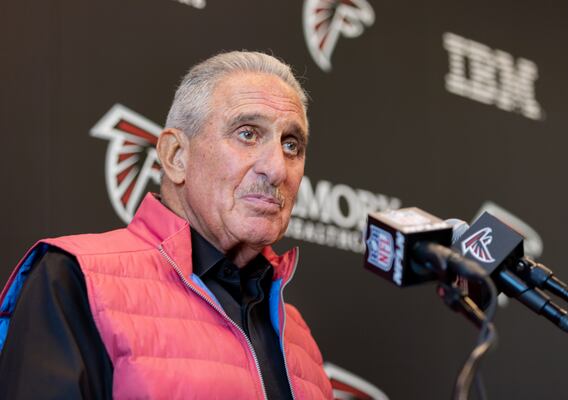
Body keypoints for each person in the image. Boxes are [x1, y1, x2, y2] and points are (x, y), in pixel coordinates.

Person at [0, 51, 334, 399]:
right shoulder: (76, 277)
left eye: (291, 145)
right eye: (248, 134)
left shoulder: (298, 336)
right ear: (176, 155)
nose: (277, 168)